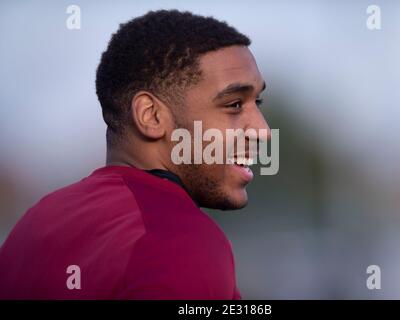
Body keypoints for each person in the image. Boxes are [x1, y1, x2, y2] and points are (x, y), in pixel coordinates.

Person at [0, 9, 270, 299]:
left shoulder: (35, 225)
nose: (263, 131)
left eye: (258, 102)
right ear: (151, 116)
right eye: (233, 104)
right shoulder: (179, 242)